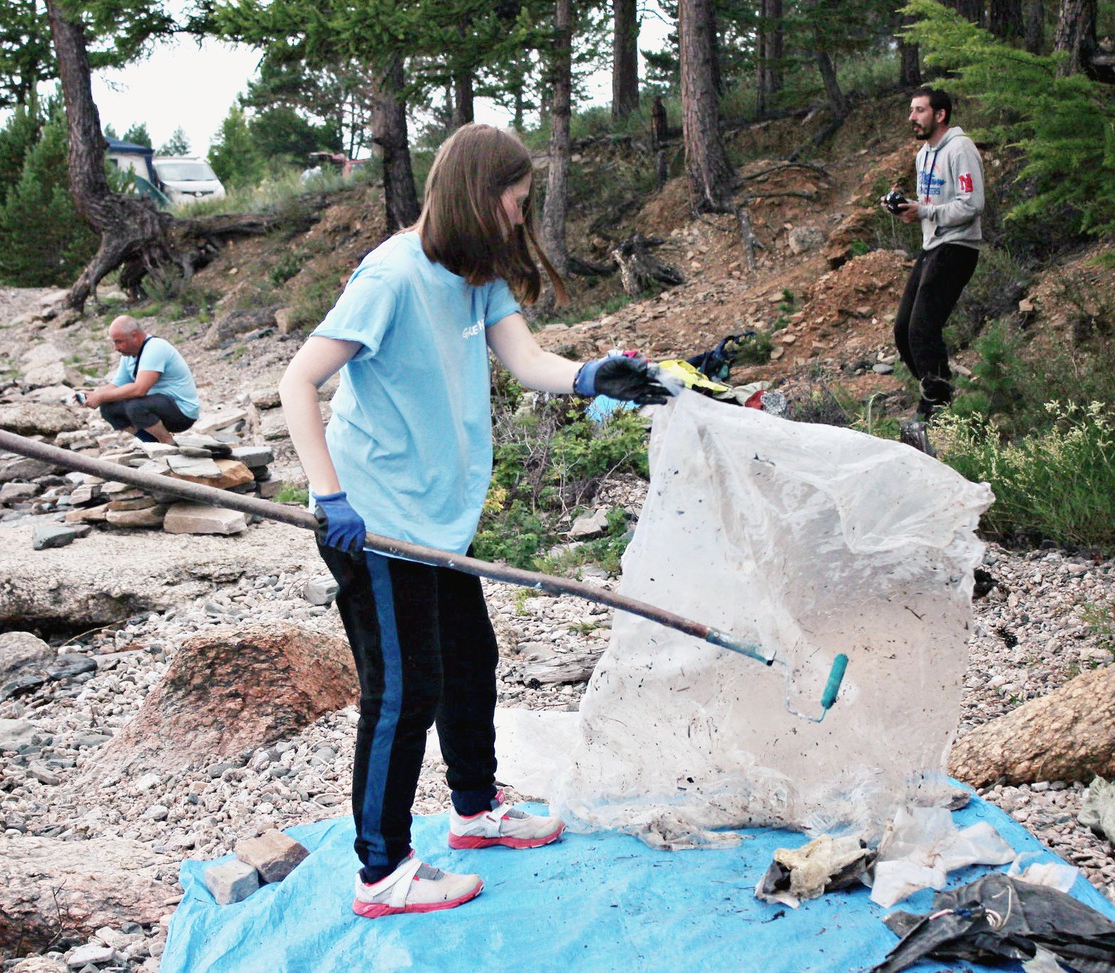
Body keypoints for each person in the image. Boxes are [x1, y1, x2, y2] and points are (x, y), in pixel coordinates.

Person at [278, 122, 671, 919]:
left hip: (437, 521)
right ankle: (381, 873)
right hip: (374, 519)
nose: (520, 221)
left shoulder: (475, 274)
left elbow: (526, 363)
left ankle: (473, 809)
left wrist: (597, 374)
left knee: (470, 657)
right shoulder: (390, 276)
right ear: (481, 194)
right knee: (403, 688)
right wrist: (329, 497)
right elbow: (299, 381)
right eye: (517, 203)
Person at [885, 86, 985, 434]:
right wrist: (908, 209)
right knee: (903, 330)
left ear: (940, 114)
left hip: (958, 246)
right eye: (912, 110)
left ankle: (936, 410)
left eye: (919, 110)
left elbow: (971, 204)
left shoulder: (960, 148)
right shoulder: (923, 155)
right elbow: (932, 204)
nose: (911, 117)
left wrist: (925, 211)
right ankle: (937, 392)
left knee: (923, 327)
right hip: (933, 246)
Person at [77, 316, 201, 445]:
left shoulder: (155, 348)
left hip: (182, 413)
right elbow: (115, 385)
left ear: (135, 336)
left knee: (136, 406)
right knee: (108, 407)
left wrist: (101, 396)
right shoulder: (129, 355)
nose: (116, 348)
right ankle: (151, 443)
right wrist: (93, 396)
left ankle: (168, 443)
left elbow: (140, 389)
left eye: (119, 342)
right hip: (158, 407)